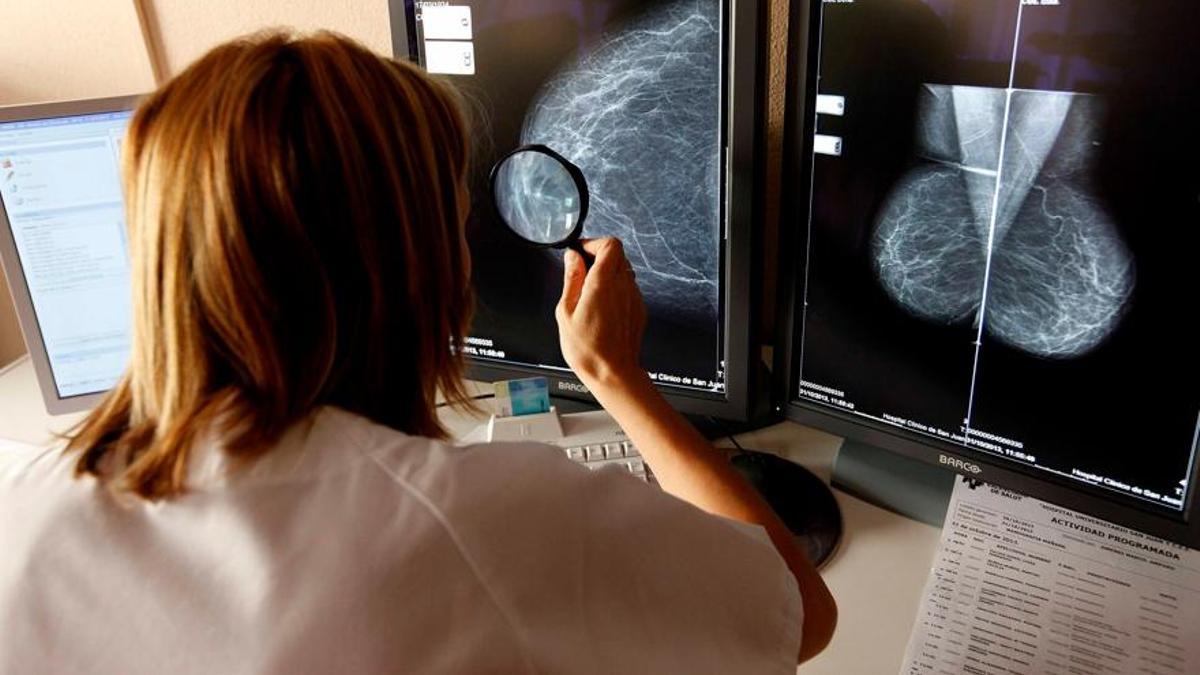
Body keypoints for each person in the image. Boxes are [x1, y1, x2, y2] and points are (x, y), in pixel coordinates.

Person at [0, 31, 835, 673]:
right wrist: (621, 379)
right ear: (418, 264)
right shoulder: (484, 521)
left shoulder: (26, 512)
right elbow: (797, 611)